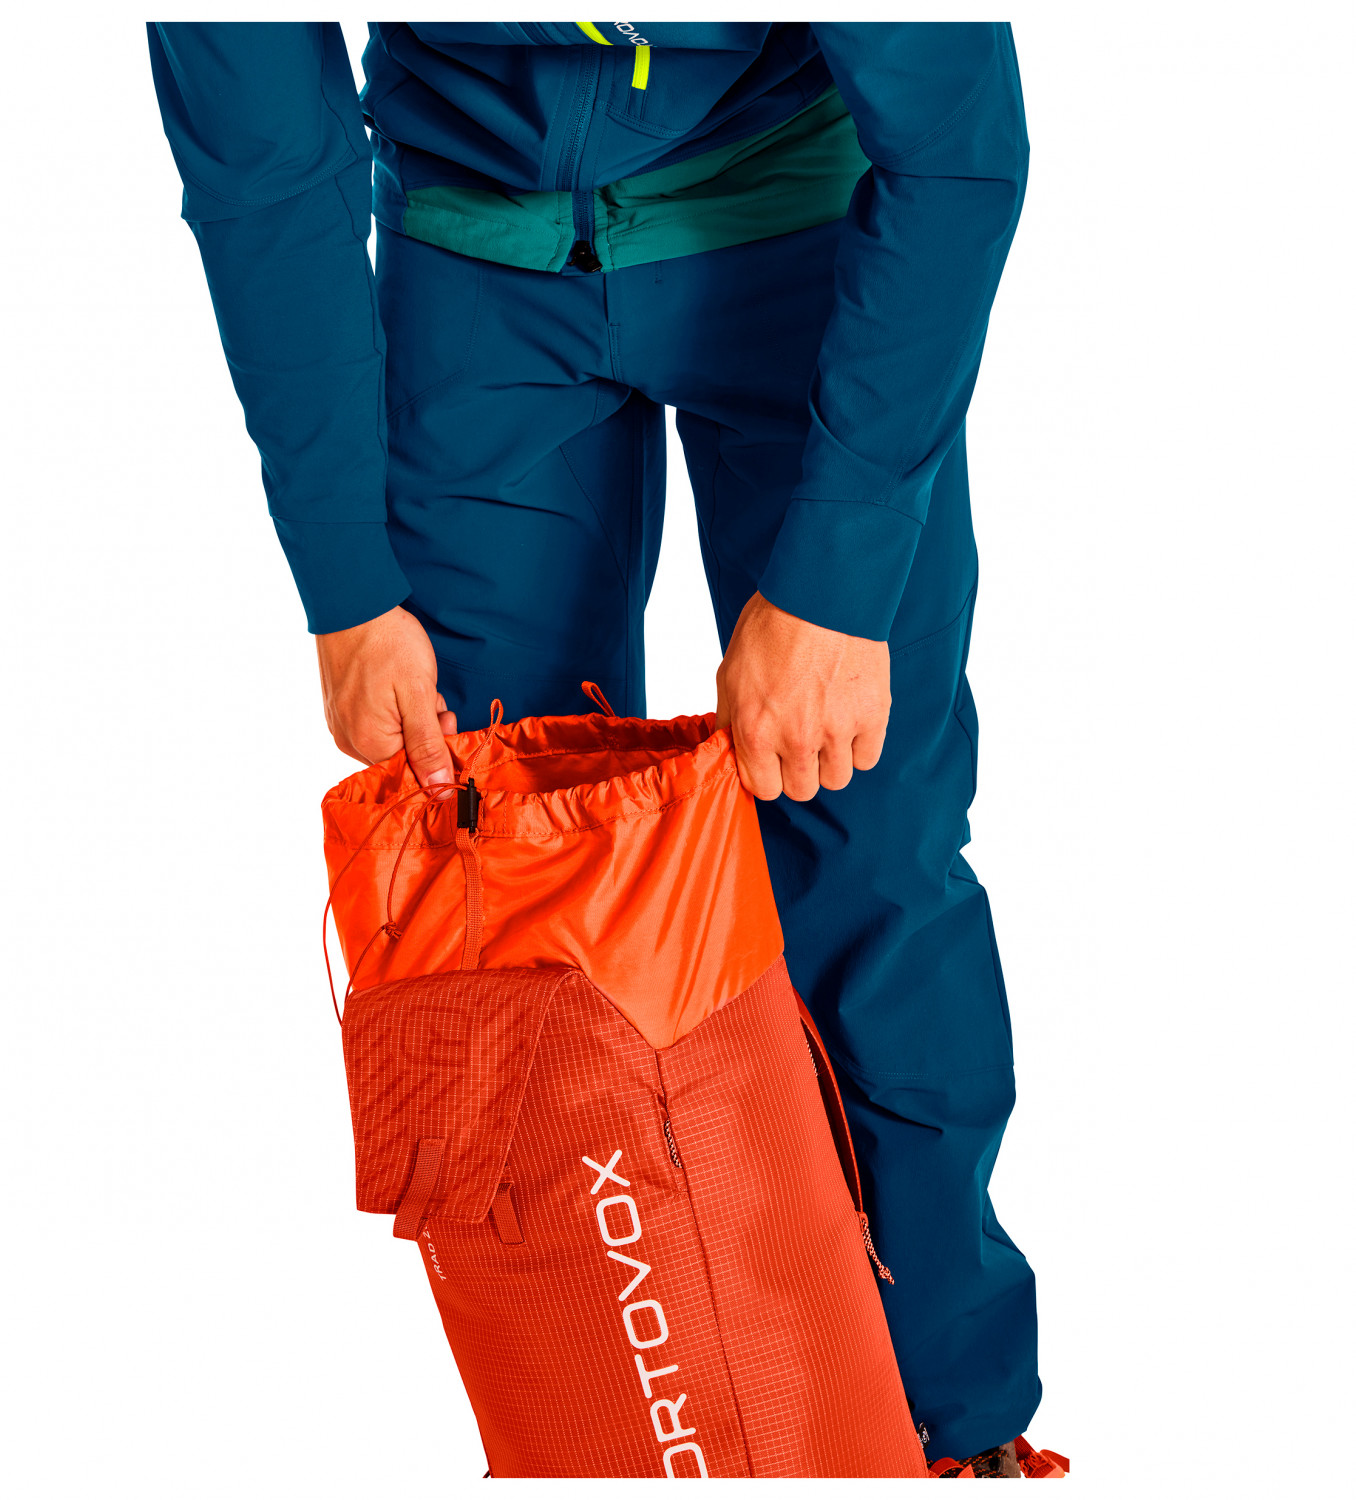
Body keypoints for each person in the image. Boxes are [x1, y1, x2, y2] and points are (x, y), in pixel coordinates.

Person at [149, 21, 1037, 1476]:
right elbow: (264, 159)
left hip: (797, 226)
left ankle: (946, 1435)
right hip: (473, 250)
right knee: (510, 901)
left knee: (867, 852)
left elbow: (956, 145)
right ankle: (628, 1444)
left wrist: (839, 573)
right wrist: (347, 583)